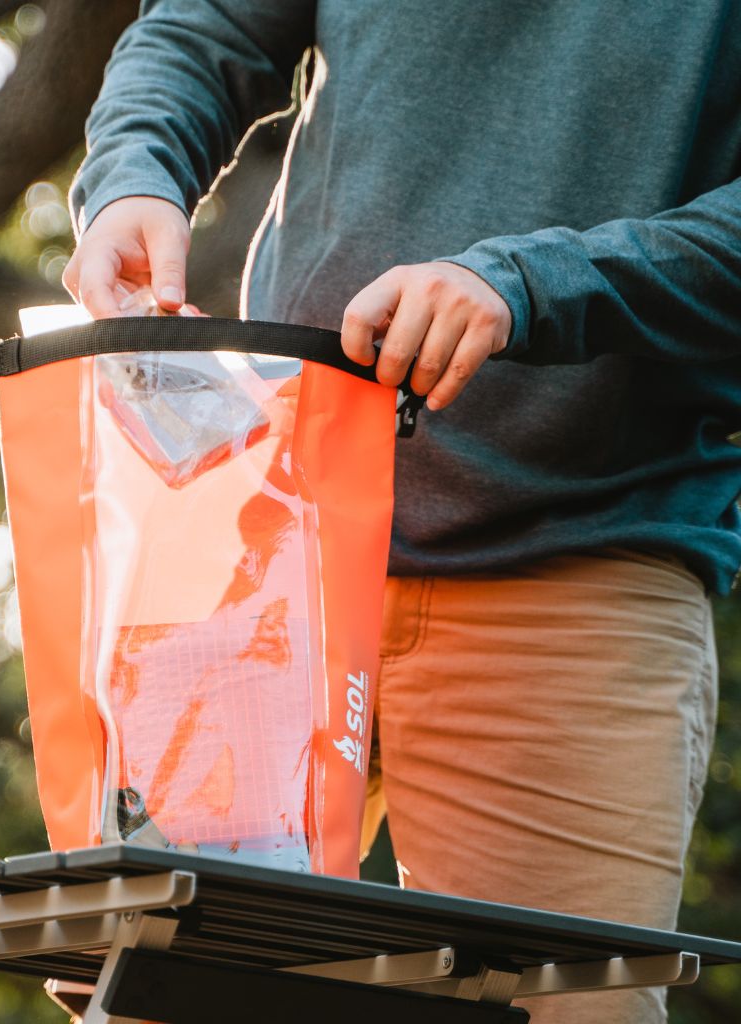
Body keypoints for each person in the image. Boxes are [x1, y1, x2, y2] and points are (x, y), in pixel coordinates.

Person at [60, 3, 741, 1021]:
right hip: (269, 552)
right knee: (154, 999)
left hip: (576, 562)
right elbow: (202, 28)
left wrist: (532, 281)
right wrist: (133, 177)